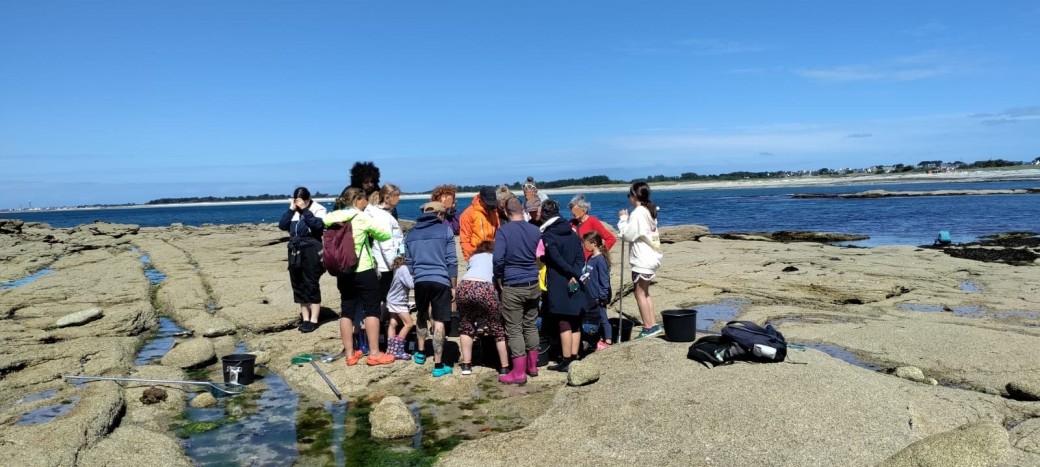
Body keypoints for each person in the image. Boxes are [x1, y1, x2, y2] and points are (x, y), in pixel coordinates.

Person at [323, 187, 394, 366]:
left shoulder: (332, 217)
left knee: (346, 311)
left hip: (343, 271)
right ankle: (375, 353)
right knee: (372, 309)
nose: (367, 203)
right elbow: (385, 234)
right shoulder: (361, 217)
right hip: (363, 269)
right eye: (364, 200)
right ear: (357, 200)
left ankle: (349, 354)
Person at [405, 201, 458, 377]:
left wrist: (417, 273)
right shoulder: (445, 230)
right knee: (440, 320)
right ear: (440, 215)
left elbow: (409, 262)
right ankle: (438, 364)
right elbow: (452, 260)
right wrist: (454, 286)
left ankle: (420, 353)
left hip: (420, 280)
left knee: (421, 315)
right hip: (441, 280)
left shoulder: (411, 233)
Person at [493, 197, 543, 384]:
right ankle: (533, 366)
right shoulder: (535, 229)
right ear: (522, 209)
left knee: (514, 329)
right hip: (532, 282)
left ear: (505, 212)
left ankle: (519, 372)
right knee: (530, 325)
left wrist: (499, 278)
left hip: (513, 284)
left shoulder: (504, 231)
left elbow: (498, 259)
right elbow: (540, 254)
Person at [539, 199, 588, 372]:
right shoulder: (572, 233)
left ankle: (567, 359)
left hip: (559, 280)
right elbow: (581, 257)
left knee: (564, 321)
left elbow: (556, 259)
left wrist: (569, 273)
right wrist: (575, 273)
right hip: (575, 279)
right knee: (575, 319)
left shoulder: (548, 235)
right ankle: (575, 356)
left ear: (544, 214)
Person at [277, 187, 327, 333]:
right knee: (298, 284)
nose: (299, 204)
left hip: (311, 249)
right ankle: (305, 318)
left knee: (311, 282)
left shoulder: (319, 209)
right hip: (295, 250)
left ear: (308, 199)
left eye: (302, 201)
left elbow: (318, 226)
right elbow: (282, 225)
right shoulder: (293, 211)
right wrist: (291, 210)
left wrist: (305, 210)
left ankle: (314, 319)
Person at [618, 182, 663, 339]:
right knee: (645, 292)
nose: (629, 198)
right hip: (652, 257)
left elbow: (627, 235)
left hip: (643, 259)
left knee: (639, 294)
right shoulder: (648, 211)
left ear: (635, 195)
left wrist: (623, 219)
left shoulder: (638, 213)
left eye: (629, 195)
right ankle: (652, 324)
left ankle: (648, 326)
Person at [456, 241, 509, 376]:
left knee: (466, 325)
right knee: (497, 329)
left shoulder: (474, 257)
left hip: (465, 286)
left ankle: (467, 365)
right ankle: (504, 367)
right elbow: (498, 278)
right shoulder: (495, 257)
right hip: (485, 288)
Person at [365, 183, 404, 308]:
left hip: (386, 261)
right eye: (396, 196)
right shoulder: (382, 216)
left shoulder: (383, 214)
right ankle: (384, 323)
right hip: (385, 265)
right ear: (387, 198)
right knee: (386, 296)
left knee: (384, 295)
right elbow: (386, 244)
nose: (398, 199)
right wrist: (395, 264)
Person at [582, 231, 613, 349]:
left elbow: (604, 281)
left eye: (586, 243)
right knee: (594, 319)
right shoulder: (590, 257)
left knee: (603, 318)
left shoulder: (600, 260)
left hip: (598, 297)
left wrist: (602, 297)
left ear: (594, 243)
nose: (584, 245)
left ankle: (608, 341)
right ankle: (597, 339)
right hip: (589, 295)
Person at [568, 193, 617, 260]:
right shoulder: (571, 223)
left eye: (575, 210)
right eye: (572, 210)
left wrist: (599, 254)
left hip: (589, 261)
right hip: (576, 261)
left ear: (584, 210)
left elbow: (611, 239)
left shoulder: (592, 221)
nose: (573, 213)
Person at [384, 256, 415, 360]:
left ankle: (390, 350)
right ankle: (398, 350)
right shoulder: (404, 269)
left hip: (391, 298)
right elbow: (411, 284)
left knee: (393, 323)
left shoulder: (397, 269)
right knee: (409, 324)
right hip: (398, 301)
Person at [459, 186, 500, 261]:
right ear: (480, 199)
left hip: (492, 254)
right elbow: (465, 239)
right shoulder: (468, 214)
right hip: (475, 255)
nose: (490, 206)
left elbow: (498, 233)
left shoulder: (494, 212)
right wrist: (469, 258)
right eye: (488, 203)